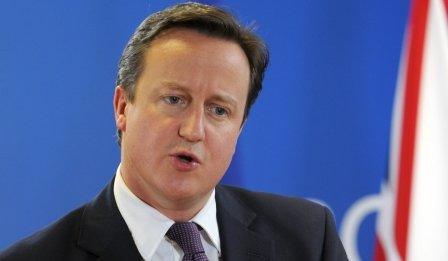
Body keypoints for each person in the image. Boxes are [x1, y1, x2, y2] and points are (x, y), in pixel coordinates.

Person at [0, 2, 347, 260]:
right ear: (123, 107)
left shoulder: (308, 238)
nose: (193, 130)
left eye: (219, 110)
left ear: (240, 128)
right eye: (174, 100)